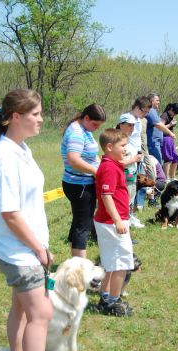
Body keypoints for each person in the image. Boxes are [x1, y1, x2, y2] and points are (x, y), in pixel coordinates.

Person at [0, 89, 64, 351]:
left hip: (27, 246)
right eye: (35, 114)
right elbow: (9, 213)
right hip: (18, 250)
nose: (41, 119)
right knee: (42, 313)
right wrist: (38, 248)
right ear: (16, 117)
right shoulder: (4, 157)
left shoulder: (21, 149)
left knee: (22, 309)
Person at [94, 128, 134, 317]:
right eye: (123, 146)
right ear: (109, 147)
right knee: (121, 263)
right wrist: (118, 220)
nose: (126, 149)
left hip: (109, 221)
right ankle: (114, 302)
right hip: (112, 222)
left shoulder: (112, 163)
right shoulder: (109, 167)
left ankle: (105, 296)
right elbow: (106, 195)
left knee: (110, 262)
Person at [61, 104, 106, 258]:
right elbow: (74, 160)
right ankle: (80, 266)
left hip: (82, 183)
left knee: (79, 221)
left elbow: (91, 155)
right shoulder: (76, 133)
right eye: (95, 124)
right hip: (79, 185)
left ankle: (75, 258)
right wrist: (96, 171)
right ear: (86, 118)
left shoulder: (84, 129)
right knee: (83, 225)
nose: (96, 128)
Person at [117, 112, 145, 228]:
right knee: (124, 200)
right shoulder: (117, 140)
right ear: (121, 125)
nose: (132, 128)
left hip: (131, 175)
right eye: (129, 125)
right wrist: (134, 159)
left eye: (133, 125)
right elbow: (117, 163)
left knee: (131, 198)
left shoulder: (129, 139)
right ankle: (124, 222)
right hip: (123, 176)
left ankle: (130, 217)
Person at [146, 93, 175, 165]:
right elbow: (158, 124)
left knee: (157, 164)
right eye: (157, 100)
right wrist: (170, 133)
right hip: (152, 143)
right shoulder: (151, 111)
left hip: (156, 142)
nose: (159, 102)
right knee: (157, 165)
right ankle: (159, 177)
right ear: (151, 101)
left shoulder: (154, 111)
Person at [160, 103, 178, 181]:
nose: (174, 115)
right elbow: (160, 127)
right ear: (171, 109)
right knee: (168, 158)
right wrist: (170, 124)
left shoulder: (171, 116)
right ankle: (166, 177)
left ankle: (173, 176)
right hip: (165, 139)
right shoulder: (164, 115)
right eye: (174, 112)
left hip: (170, 138)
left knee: (176, 158)